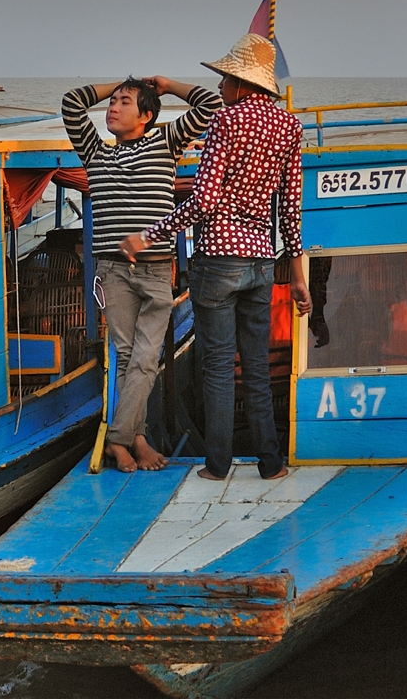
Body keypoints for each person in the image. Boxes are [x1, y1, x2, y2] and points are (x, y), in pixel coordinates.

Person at [121, 33, 312, 482]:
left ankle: (218, 465)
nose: (221, 86)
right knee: (257, 368)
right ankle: (271, 464)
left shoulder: (226, 122)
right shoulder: (290, 127)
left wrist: (148, 235)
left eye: (225, 78)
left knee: (219, 368)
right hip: (262, 262)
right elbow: (291, 209)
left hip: (219, 260)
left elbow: (204, 200)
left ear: (241, 83)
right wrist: (298, 275)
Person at [63, 76, 222, 473]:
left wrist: (167, 85)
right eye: (112, 102)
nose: (113, 108)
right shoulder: (95, 151)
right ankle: (135, 439)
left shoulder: (165, 142)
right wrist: (117, 83)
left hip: (154, 271)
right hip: (113, 271)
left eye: (125, 102)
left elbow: (209, 104)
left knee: (146, 358)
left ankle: (118, 439)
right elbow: (71, 103)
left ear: (147, 116)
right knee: (128, 357)